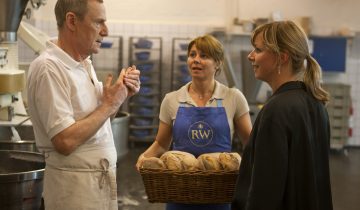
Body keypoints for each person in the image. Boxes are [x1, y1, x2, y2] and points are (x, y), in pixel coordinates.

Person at [26, 0, 140, 209]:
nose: (106, 31)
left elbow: (96, 123)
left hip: (97, 184)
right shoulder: (49, 68)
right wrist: (109, 104)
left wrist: (118, 98)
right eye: (99, 22)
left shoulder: (83, 63)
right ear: (72, 21)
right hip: (73, 190)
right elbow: (65, 141)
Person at [136, 34, 252, 210]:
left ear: (218, 63)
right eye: (192, 55)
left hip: (219, 190)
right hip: (179, 189)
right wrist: (144, 157)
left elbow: (249, 144)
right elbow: (161, 143)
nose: (196, 60)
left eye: (204, 56)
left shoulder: (233, 97)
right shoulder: (172, 99)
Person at [231, 20, 333, 210]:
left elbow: (265, 191)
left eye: (258, 50)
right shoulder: (316, 103)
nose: (250, 56)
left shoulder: (276, 110)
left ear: (282, 57)